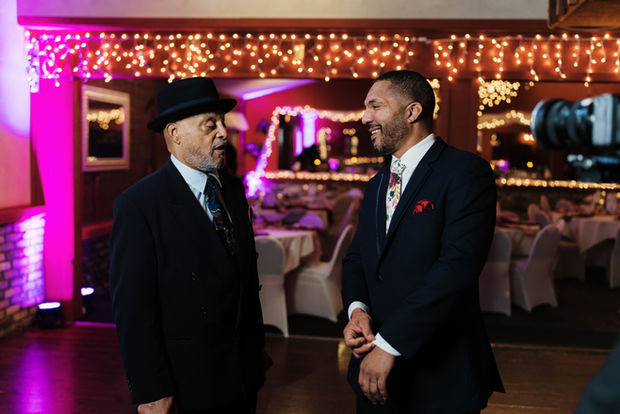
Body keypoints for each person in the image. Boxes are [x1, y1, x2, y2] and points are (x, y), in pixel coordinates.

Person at [341, 70, 504, 413]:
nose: (365, 117)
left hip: (440, 374)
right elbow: (357, 259)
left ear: (412, 112)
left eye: (375, 106)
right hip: (373, 375)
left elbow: (457, 267)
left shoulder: (465, 172)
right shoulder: (376, 184)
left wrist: (389, 344)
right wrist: (358, 310)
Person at [109, 77, 268, 414]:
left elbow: (244, 279)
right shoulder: (139, 205)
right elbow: (133, 309)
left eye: (222, 122)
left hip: (243, 373)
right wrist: (151, 389)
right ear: (175, 133)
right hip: (188, 380)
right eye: (210, 125)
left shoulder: (234, 190)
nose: (223, 133)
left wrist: (256, 351)